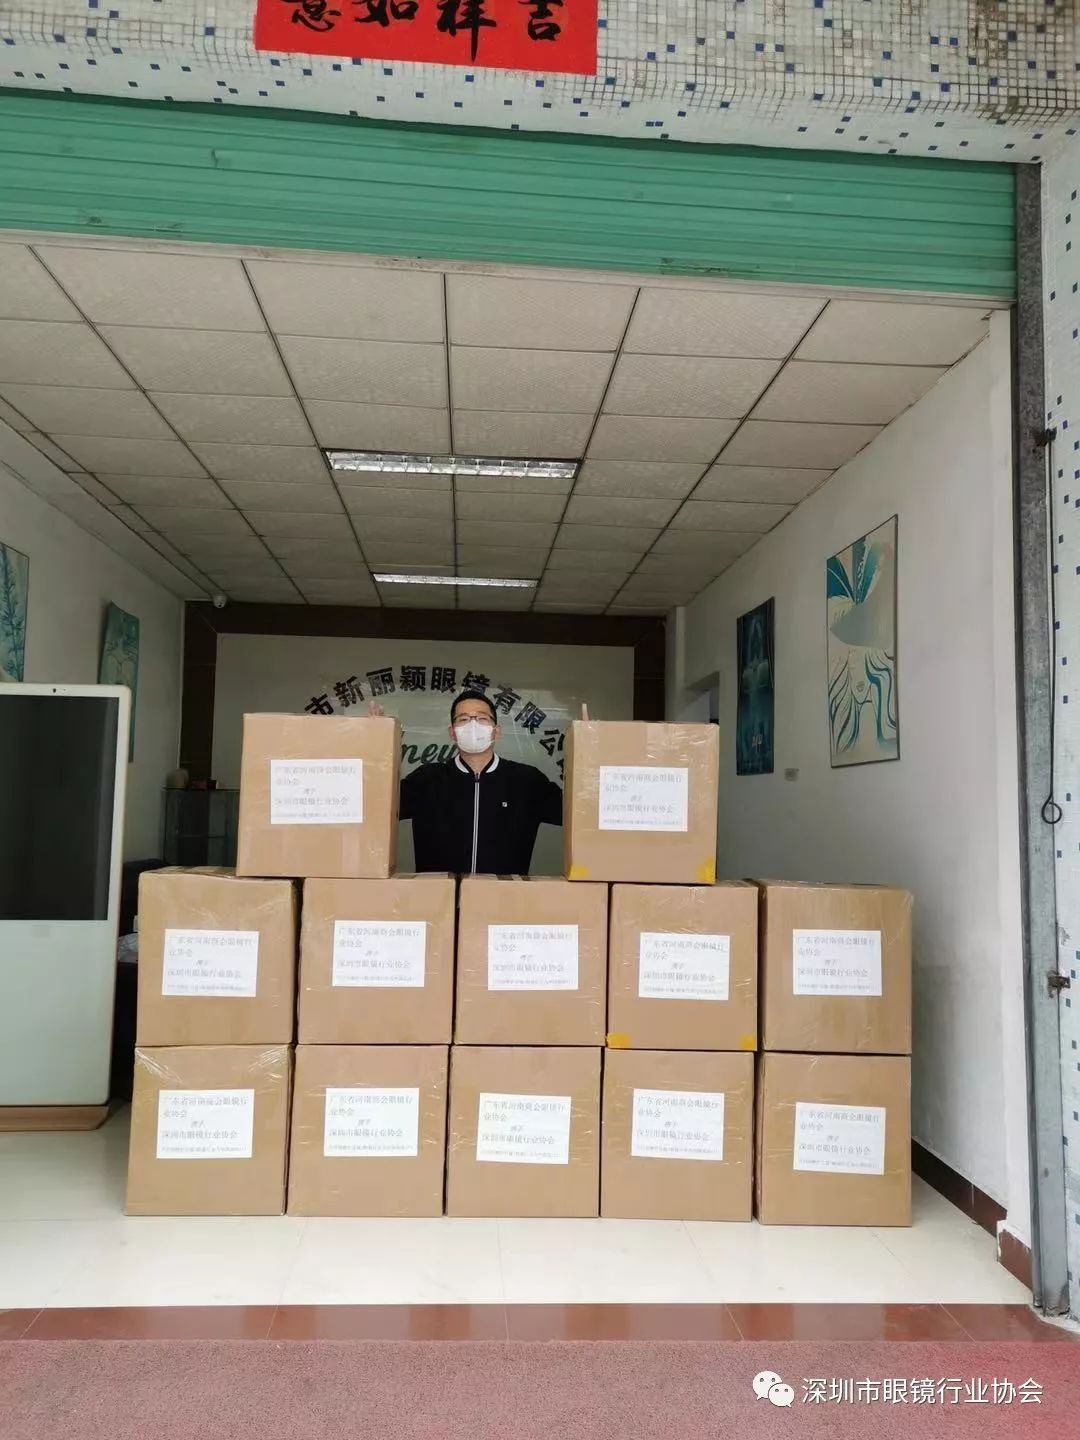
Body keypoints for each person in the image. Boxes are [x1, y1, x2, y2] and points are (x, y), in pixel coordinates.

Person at [397, 688, 564, 874]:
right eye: (463, 719)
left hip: (505, 891)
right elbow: (378, 808)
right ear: (452, 733)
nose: (473, 725)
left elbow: (578, 814)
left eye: (482, 718)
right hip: (439, 892)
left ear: (496, 732)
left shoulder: (527, 781)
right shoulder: (426, 780)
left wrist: (586, 741)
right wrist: (377, 737)